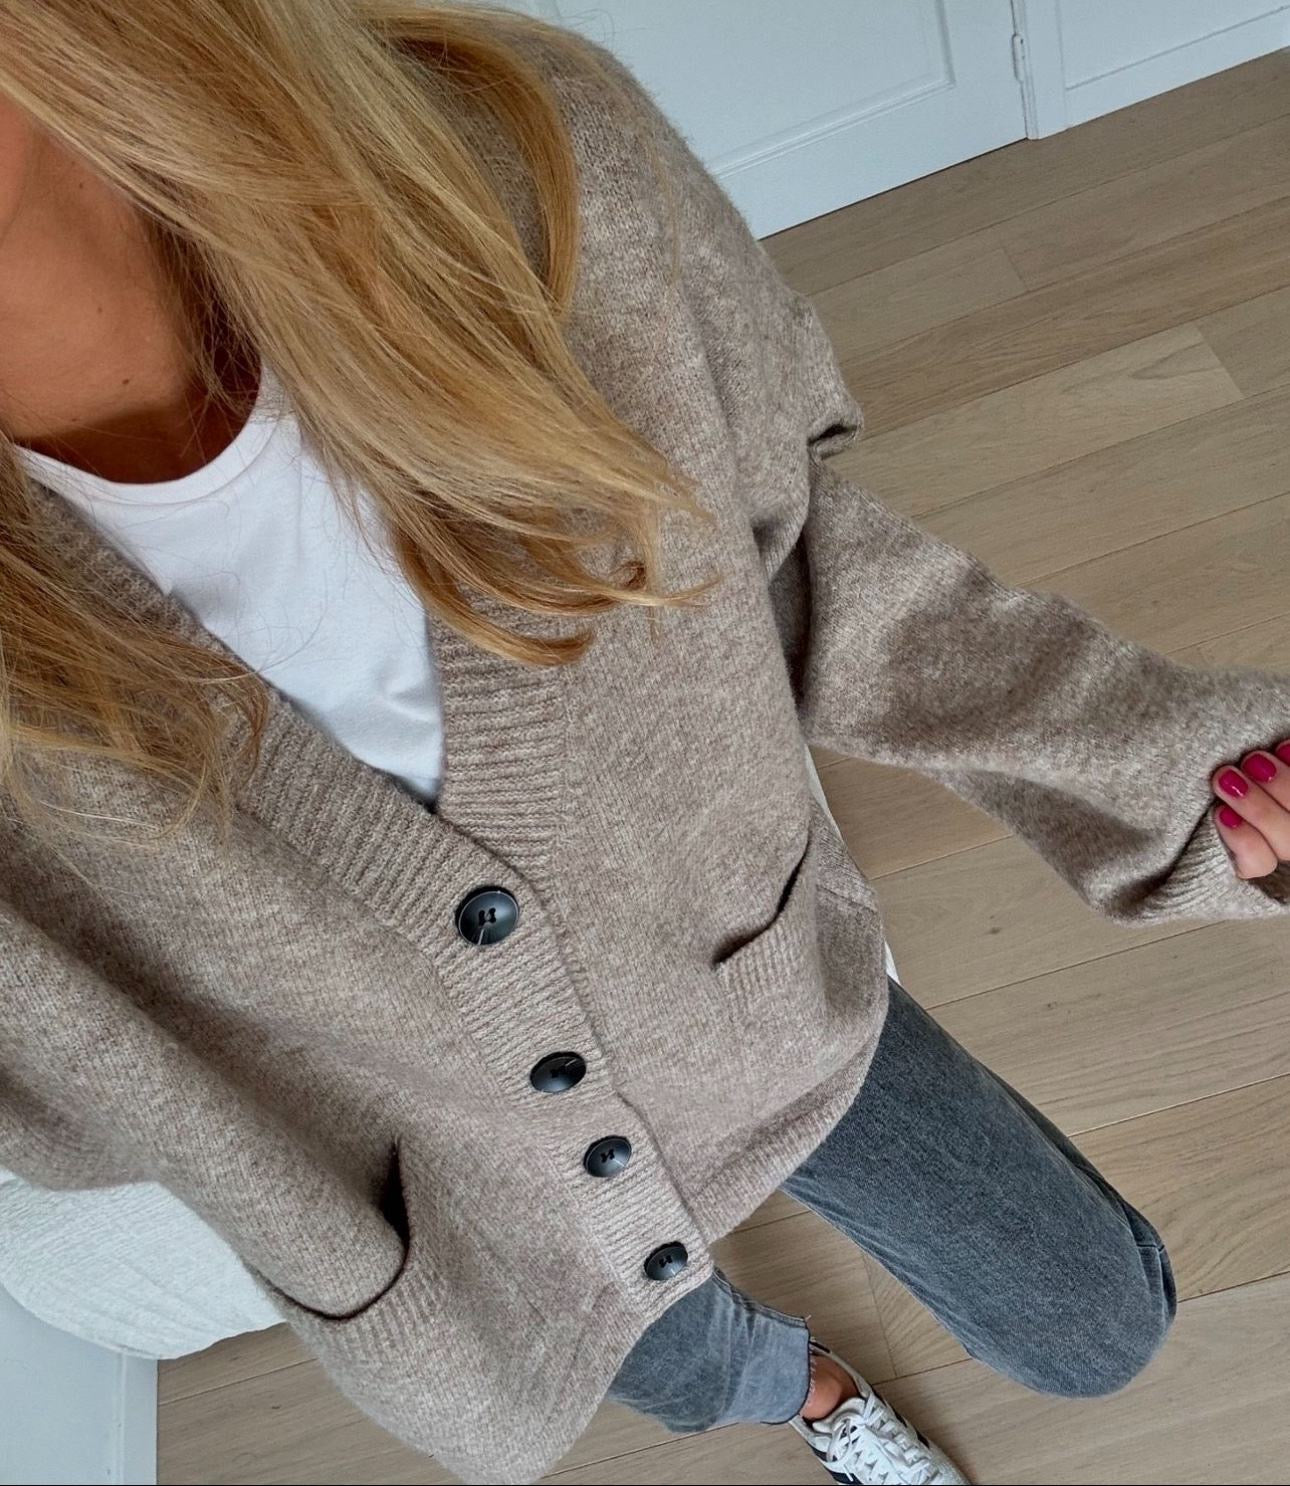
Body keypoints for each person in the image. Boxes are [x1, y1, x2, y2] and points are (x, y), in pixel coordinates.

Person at [1, 5, 1288, 1485]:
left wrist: (1161, 769)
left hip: (753, 1006)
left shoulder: (522, 167)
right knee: (696, 1371)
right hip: (467, 1223)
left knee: (1098, 1326)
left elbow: (793, 563)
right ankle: (805, 1394)